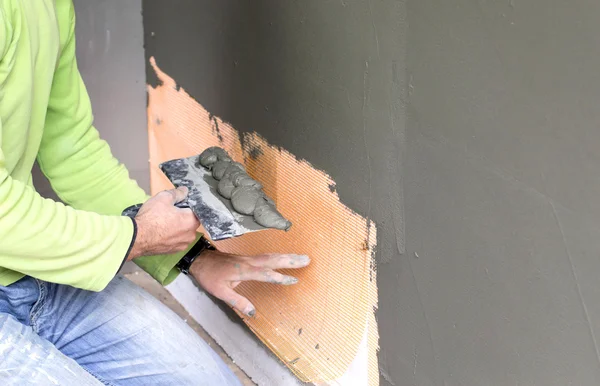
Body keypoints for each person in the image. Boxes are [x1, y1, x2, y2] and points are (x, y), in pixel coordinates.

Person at [0, 1, 310, 384]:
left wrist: (193, 256)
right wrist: (139, 236)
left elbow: (72, 150)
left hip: (26, 272)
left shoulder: (49, 6)